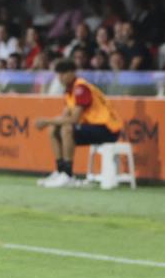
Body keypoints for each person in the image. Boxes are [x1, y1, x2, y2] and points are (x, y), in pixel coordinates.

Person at [35, 58, 123, 188]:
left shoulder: (81, 88)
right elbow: (65, 116)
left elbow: (73, 119)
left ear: (72, 73)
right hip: (92, 127)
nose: (60, 78)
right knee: (53, 128)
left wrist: (46, 121)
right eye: (58, 74)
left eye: (63, 74)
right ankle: (60, 171)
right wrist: (50, 123)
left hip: (107, 129)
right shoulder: (68, 91)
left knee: (67, 129)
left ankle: (68, 175)